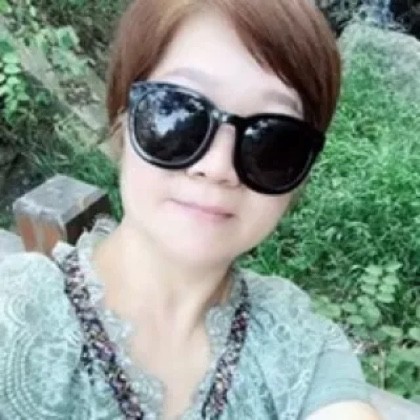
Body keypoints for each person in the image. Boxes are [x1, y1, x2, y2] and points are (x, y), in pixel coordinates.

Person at [0, 0, 382, 419]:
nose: (217, 168)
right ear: (121, 122)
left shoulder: (300, 345)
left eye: (272, 141)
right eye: (177, 114)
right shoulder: (16, 315)